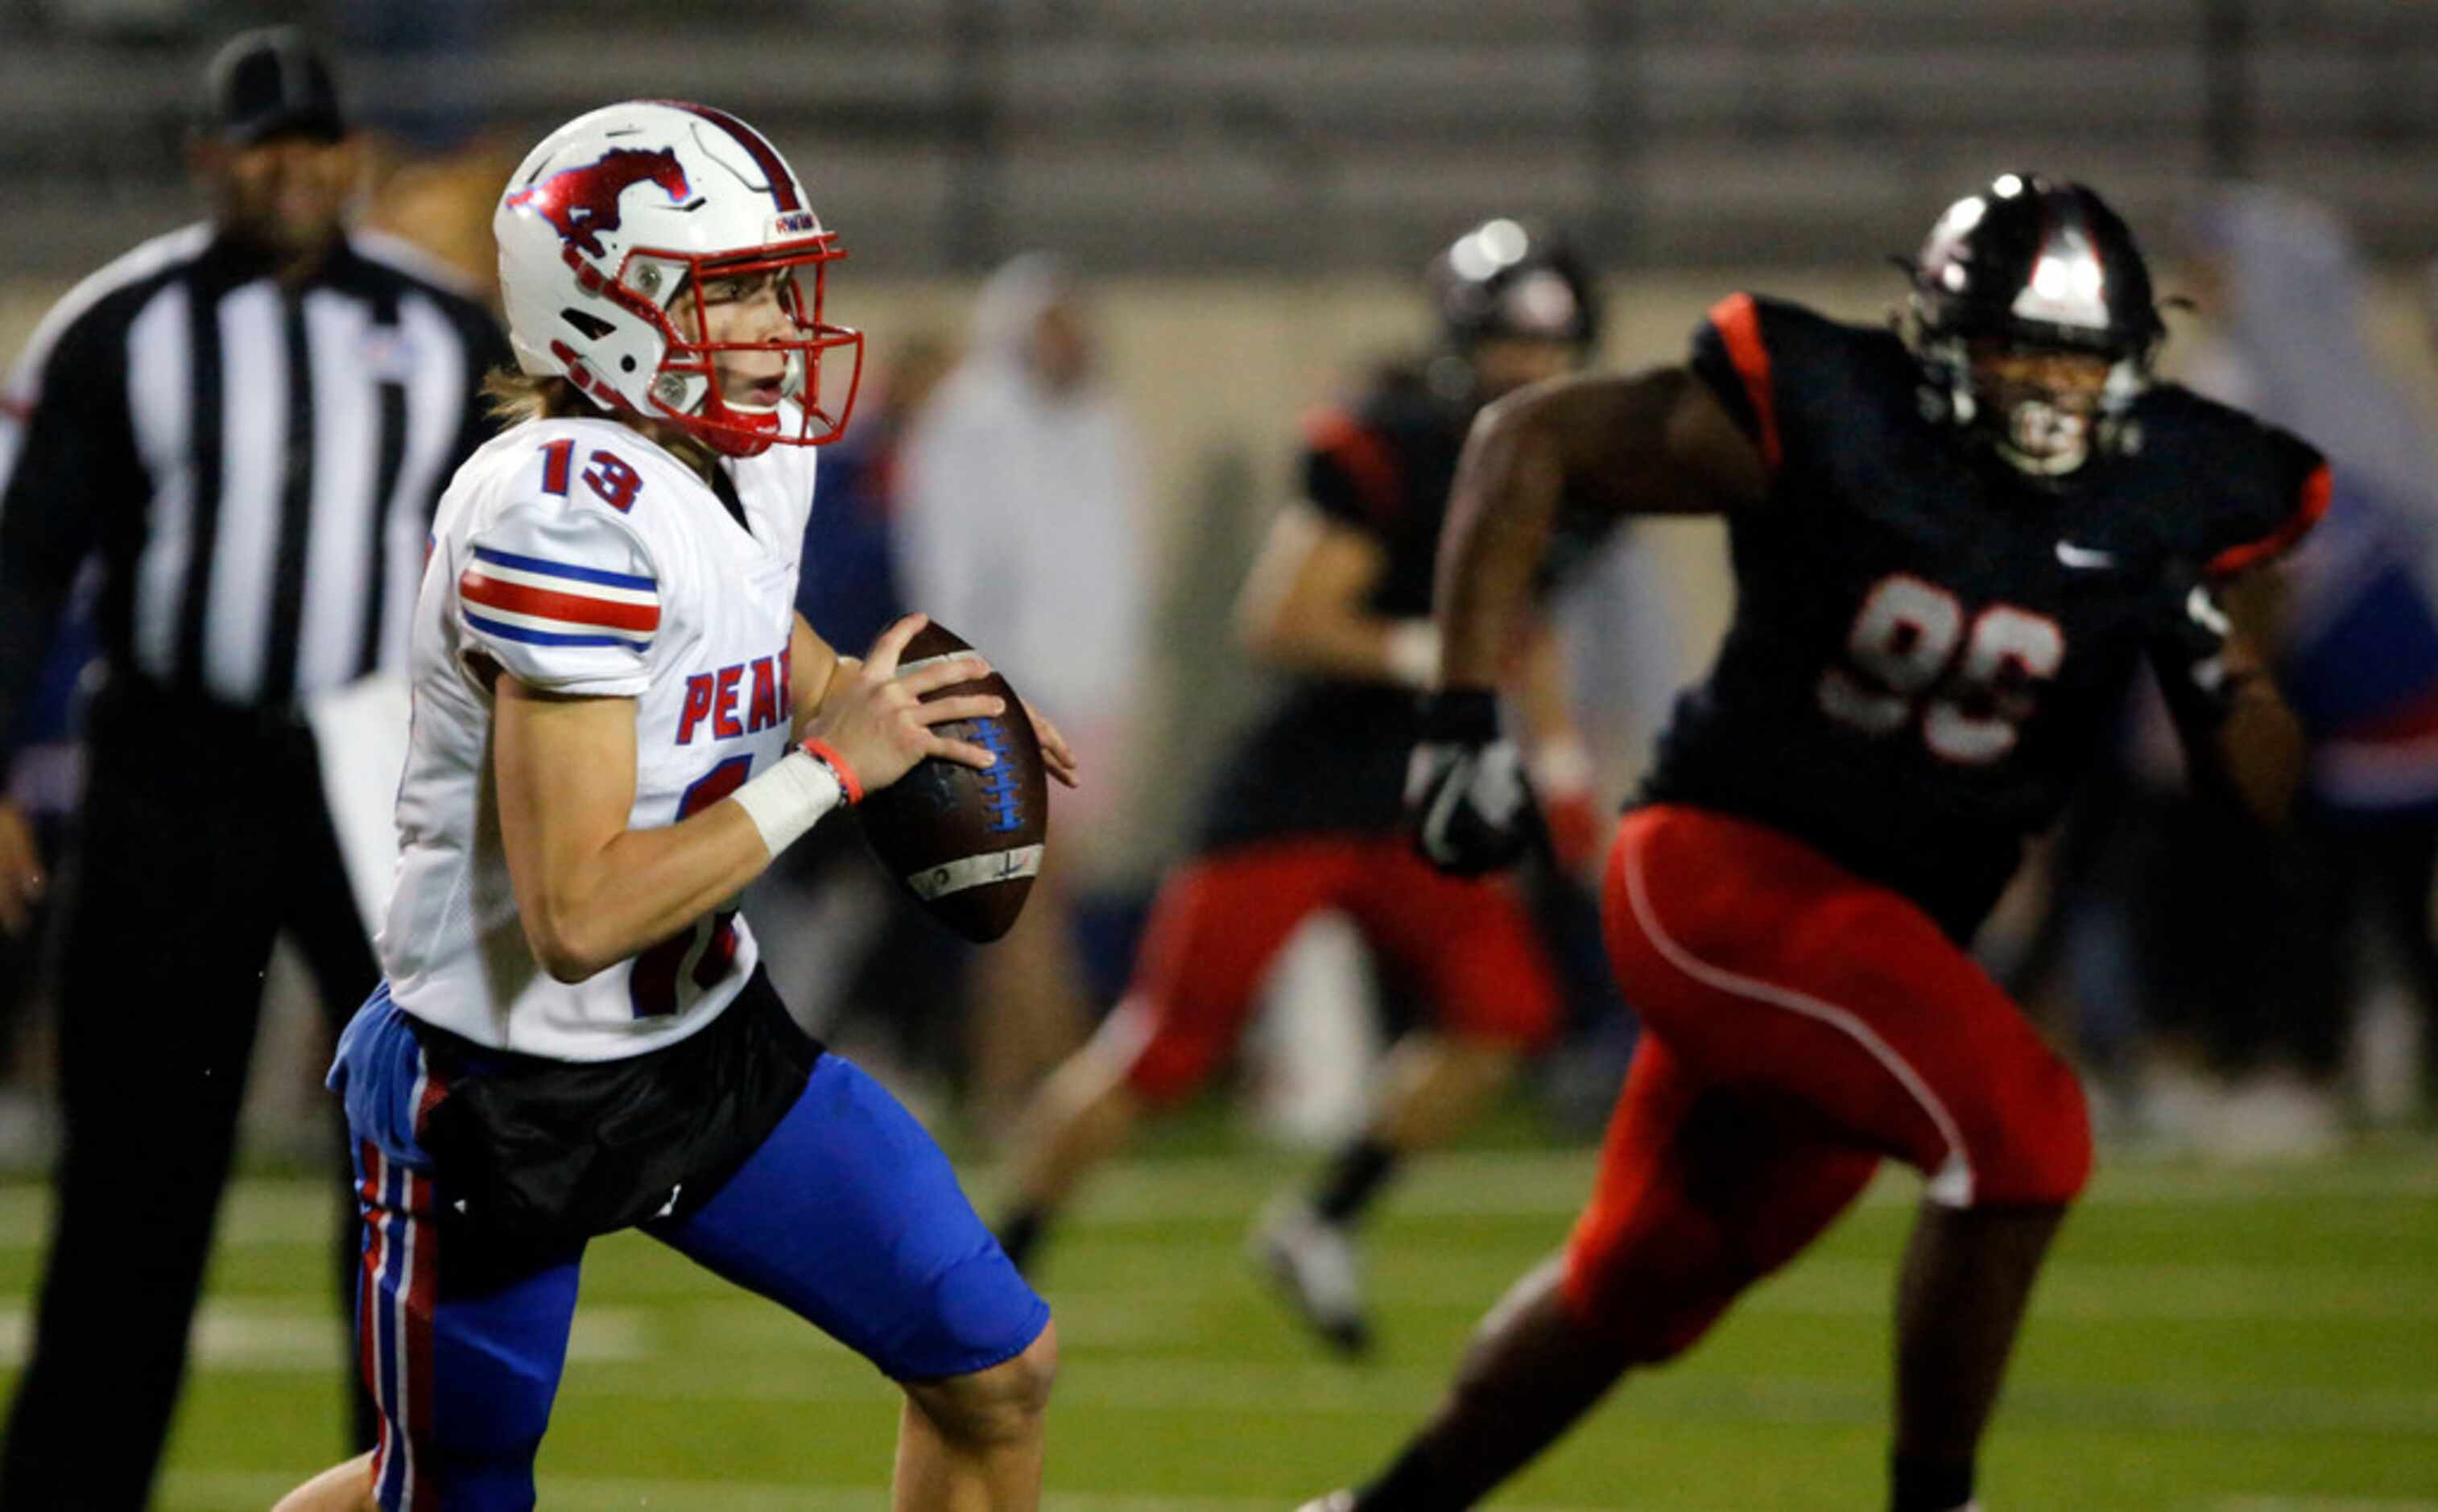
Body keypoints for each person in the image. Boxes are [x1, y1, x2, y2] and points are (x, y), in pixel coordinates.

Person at [1322, 174, 2328, 1511]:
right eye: (2014, 347)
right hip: (1720, 870)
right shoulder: (1839, 415)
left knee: (1632, 1283)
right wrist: (1458, 716)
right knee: (2024, 1131)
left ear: (2130, 360)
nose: (2043, 386)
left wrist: (2217, 669)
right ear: (1938, 335)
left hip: (1880, 947)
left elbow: (2259, 791)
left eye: (2075, 359)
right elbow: (1525, 440)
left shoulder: (2185, 489)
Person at [274, 101, 1070, 1512]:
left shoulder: (743, 452)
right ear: (612, 311)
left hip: (706, 1040)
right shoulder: (558, 515)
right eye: (739, 289)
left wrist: (906, 710)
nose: (779, 318)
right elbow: (577, 912)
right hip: (504, 1082)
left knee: (990, 1364)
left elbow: (761, 644)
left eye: (777, 280)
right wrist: (832, 772)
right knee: (446, 1489)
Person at [0, 27, 511, 1505]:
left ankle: (407, 1475)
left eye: (313, 145)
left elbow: (528, 544)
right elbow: (26, 562)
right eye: (261, 147)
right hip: (173, 754)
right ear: (209, 162)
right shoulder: (121, 324)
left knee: (416, 1149)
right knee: (135, 1168)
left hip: (378, 768)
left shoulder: (444, 326)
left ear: (348, 157)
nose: (290, 172)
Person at [993, 221, 1601, 1354]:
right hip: (1301, 795)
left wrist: (1561, 765)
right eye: (1508, 347)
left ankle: (1324, 1219)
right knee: (1163, 1051)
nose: (1527, 372)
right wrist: (1436, 655)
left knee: (1507, 1011)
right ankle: (993, 1260)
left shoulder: (1555, 463)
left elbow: (1532, 623)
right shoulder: (1400, 440)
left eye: (1546, 351)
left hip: (1411, 804)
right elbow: (1283, 616)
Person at [896, 254, 1149, 1134]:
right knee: (1025, 901)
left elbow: (1114, 568)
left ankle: (1030, 1090)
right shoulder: (969, 422)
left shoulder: (1099, 422)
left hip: (1090, 694)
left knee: (1038, 902)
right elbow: (952, 570)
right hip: (1003, 690)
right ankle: (1060, 1086)